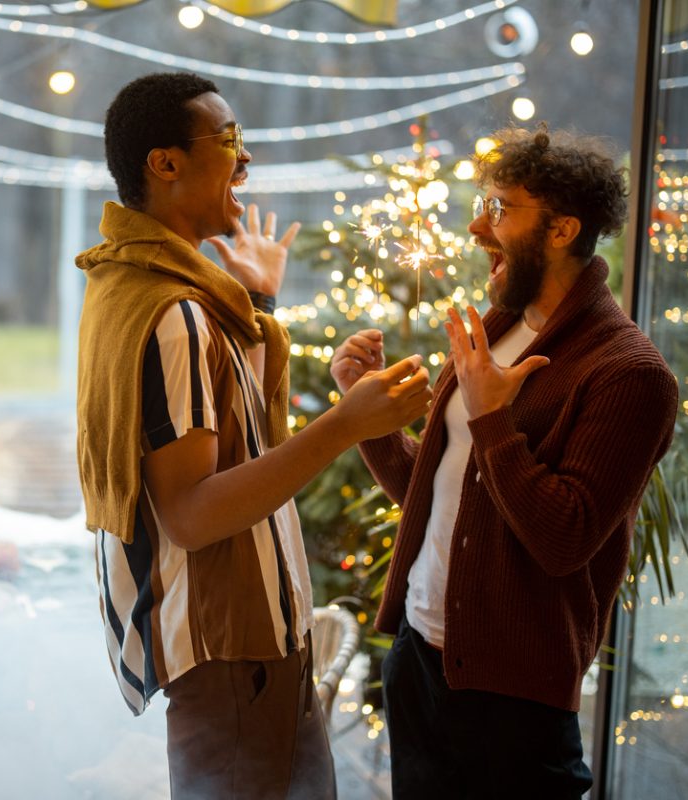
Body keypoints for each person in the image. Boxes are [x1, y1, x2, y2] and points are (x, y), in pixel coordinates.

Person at [75, 72, 434, 799]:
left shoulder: (147, 287)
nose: (246, 164)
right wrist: (344, 425)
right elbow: (193, 512)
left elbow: (241, 437)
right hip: (234, 657)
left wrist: (260, 303)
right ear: (164, 162)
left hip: (250, 651)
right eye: (229, 141)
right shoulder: (172, 312)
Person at [331, 124, 679, 798]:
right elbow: (434, 493)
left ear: (560, 231)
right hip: (418, 661)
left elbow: (563, 537)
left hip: (513, 703)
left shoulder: (630, 374)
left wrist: (492, 417)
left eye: (499, 209)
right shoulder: (496, 329)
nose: (475, 229)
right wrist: (363, 414)